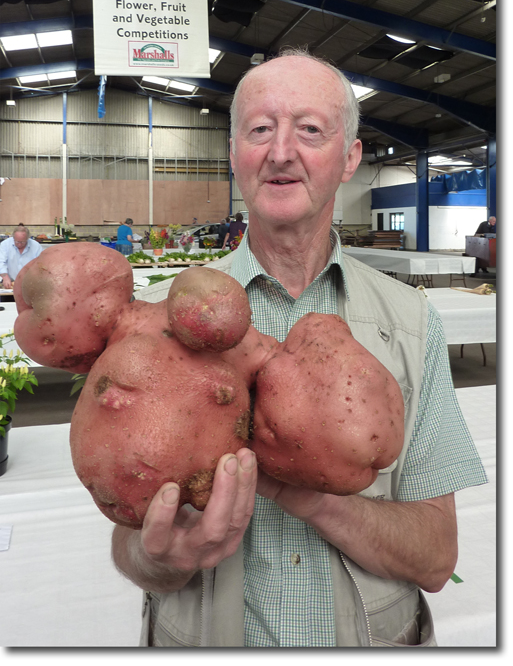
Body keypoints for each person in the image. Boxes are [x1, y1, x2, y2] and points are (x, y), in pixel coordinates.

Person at [113, 49, 487, 648]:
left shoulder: (412, 322)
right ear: (235, 154)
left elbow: (436, 557)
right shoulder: (164, 318)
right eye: (260, 129)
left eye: (310, 129)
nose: (281, 151)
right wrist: (163, 558)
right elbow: (132, 547)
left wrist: (306, 495)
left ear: (350, 158)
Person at [0, 224, 43, 289]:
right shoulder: (5, 245)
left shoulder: (36, 246)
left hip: (30, 283)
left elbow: (40, 264)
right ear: (13, 238)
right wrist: (5, 277)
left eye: (22, 242)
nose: (19, 244)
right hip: (10, 282)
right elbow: (1, 263)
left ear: (28, 238)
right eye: (17, 242)